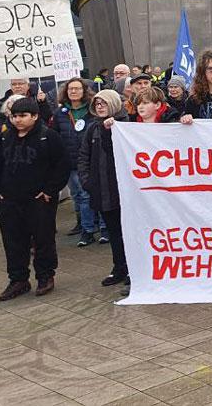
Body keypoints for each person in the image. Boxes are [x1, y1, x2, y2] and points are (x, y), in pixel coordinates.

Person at [0, 97, 70, 300]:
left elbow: (62, 165)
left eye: (23, 116)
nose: (18, 120)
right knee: (13, 241)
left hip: (39, 199)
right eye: (14, 116)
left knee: (43, 239)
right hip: (9, 199)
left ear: (34, 116)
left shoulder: (48, 136)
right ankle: (18, 279)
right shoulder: (5, 137)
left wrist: (49, 191)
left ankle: (45, 276)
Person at [79, 90, 130, 288]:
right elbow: (84, 156)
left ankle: (133, 268)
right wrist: (87, 182)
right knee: (114, 232)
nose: (100, 107)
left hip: (122, 189)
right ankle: (119, 267)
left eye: (104, 103)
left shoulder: (126, 124)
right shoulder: (93, 128)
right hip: (101, 188)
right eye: (97, 103)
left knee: (128, 231)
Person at [55, 78, 106, 247]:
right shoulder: (60, 113)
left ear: (84, 91)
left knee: (89, 195)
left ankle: (91, 229)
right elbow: (55, 134)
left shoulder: (92, 110)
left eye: (77, 88)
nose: (73, 92)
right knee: (77, 196)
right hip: (70, 161)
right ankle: (87, 225)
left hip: (91, 160)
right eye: (70, 89)